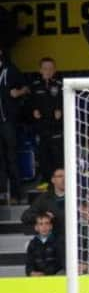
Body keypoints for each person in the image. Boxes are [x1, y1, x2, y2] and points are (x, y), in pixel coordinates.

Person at [29, 57, 63, 186]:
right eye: (45, 68)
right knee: (43, 155)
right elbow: (29, 104)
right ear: (40, 70)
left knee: (58, 155)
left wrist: (61, 111)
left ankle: (60, 181)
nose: (48, 71)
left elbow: (68, 101)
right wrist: (33, 111)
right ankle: (46, 181)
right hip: (41, 126)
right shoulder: (35, 85)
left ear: (55, 70)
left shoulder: (60, 85)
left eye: (50, 68)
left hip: (57, 127)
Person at [0, 50, 27, 203]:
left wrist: (19, 92)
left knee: (11, 158)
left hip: (7, 122)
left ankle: (17, 194)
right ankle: (3, 194)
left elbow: (26, 87)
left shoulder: (9, 69)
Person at [22, 167, 65, 238]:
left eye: (66, 176)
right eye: (60, 176)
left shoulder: (76, 197)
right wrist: (44, 216)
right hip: (52, 239)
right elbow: (25, 216)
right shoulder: (44, 198)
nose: (64, 179)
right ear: (53, 180)